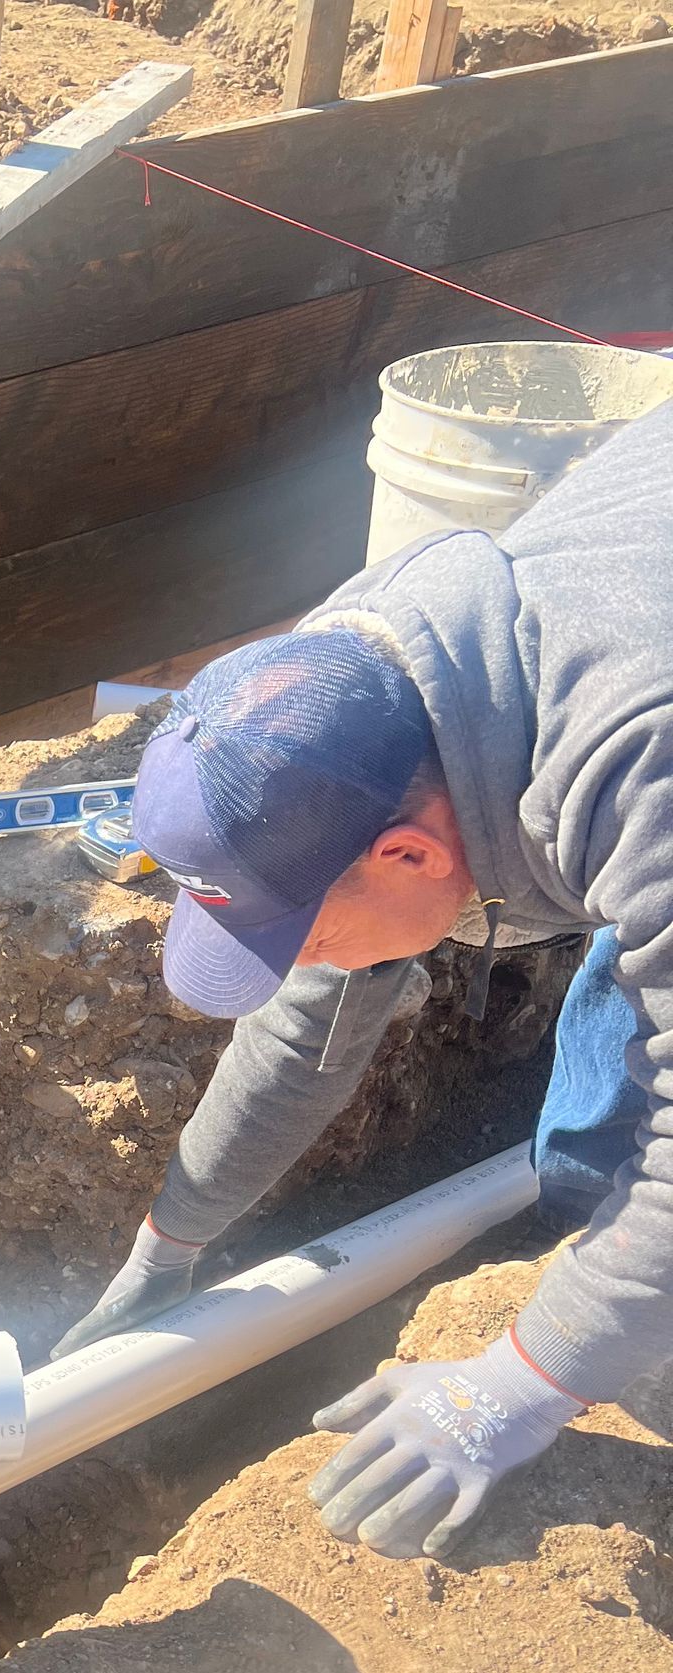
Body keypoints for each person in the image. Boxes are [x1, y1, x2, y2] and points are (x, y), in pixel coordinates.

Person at [53, 396, 673, 1562]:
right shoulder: (350, 696)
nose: (310, 964)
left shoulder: (635, 771)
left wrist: (524, 1378)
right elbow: (304, 1036)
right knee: (613, 1107)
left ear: (408, 855)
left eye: (310, 934)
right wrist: (168, 1247)